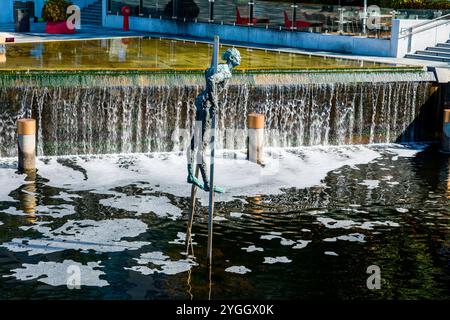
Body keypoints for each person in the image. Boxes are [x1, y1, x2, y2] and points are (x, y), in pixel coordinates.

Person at [186, 48, 241, 193]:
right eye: (238, 56)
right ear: (232, 59)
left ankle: (191, 174)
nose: (240, 59)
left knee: (194, 141)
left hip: (201, 101)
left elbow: (207, 73)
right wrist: (215, 102)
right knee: (201, 145)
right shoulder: (226, 71)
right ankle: (207, 184)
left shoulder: (218, 66)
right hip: (207, 106)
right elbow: (211, 80)